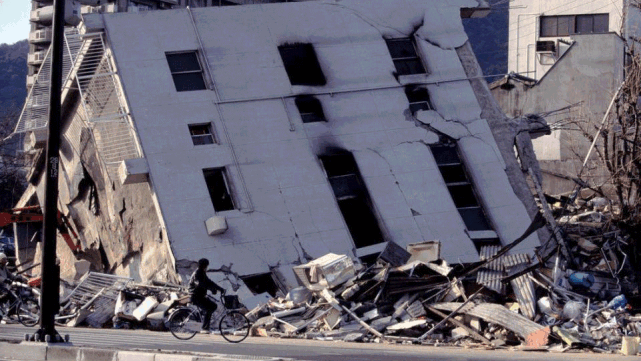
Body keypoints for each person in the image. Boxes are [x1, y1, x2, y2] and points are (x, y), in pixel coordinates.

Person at [188, 258, 225, 333]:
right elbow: (200, 284)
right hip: (196, 296)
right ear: (203, 265)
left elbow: (209, 282)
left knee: (213, 306)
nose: (206, 267)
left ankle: (206, 325)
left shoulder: (202, 273)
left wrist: (220, 289)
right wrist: (211, 289)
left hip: (200, 296)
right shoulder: (197, 273)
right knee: (209, 308)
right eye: (206, 265)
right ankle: (205, 328)